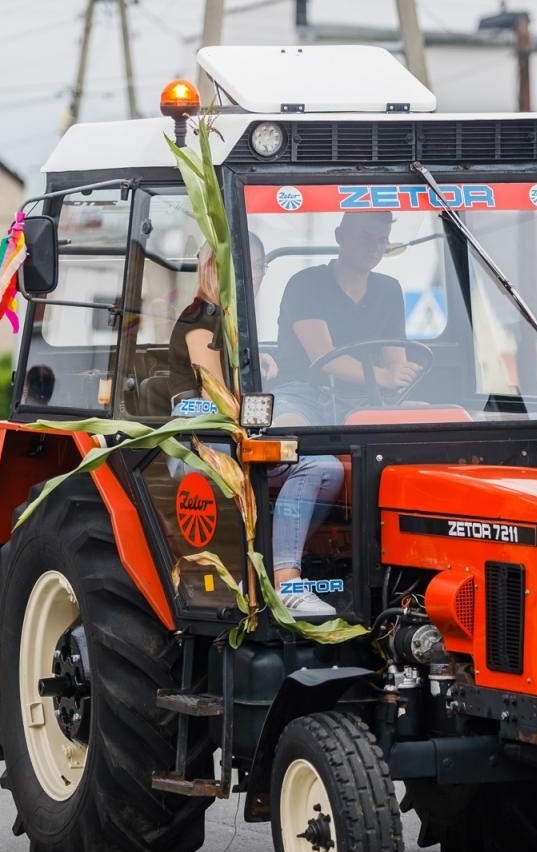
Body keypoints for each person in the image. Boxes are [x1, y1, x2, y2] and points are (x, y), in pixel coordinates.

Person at [169, 242, 345, 619]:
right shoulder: (199, 320)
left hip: (232, 434)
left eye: (256, 268)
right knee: (313, 464)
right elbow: (215, 395)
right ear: (207, 268)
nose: (247, 277)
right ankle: (287, 583)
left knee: (328, 467)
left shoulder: (233, 324)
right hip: (200, 441)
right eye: (232, 266)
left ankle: (276, 560)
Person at [274, 211, 422, 422]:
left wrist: (400, 374)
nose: (374, 248)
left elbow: (395, 361)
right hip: (301, 395)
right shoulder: (305, 284)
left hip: (365, 397)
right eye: (365, 237)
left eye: (382, 240)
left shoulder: (390, 289)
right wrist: (385, 377)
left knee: (436, 422)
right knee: (289, 430)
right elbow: (324, 357)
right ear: (340, 236)